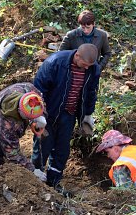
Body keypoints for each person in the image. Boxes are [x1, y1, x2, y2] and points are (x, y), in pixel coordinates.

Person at [32, 44, 101, 189]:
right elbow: (38, 90)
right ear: (77, 56)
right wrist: (38, 114)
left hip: (69, 115)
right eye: (84, 64)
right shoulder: (55, 62)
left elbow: (91, 93)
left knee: (62, 150)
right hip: (49, 113)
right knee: (43, 145)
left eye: (90, 65)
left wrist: (87, 114)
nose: (87, 68)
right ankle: (34, 180)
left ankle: (53, 182)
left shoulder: (93, 69)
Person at [0, 82, 48, 182]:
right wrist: (32, 170)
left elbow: (40, 100)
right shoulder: (6, 125)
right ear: (20, 111)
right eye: (29, 118)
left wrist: (41, 116)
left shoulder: (28, 89)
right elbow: (12, 153)